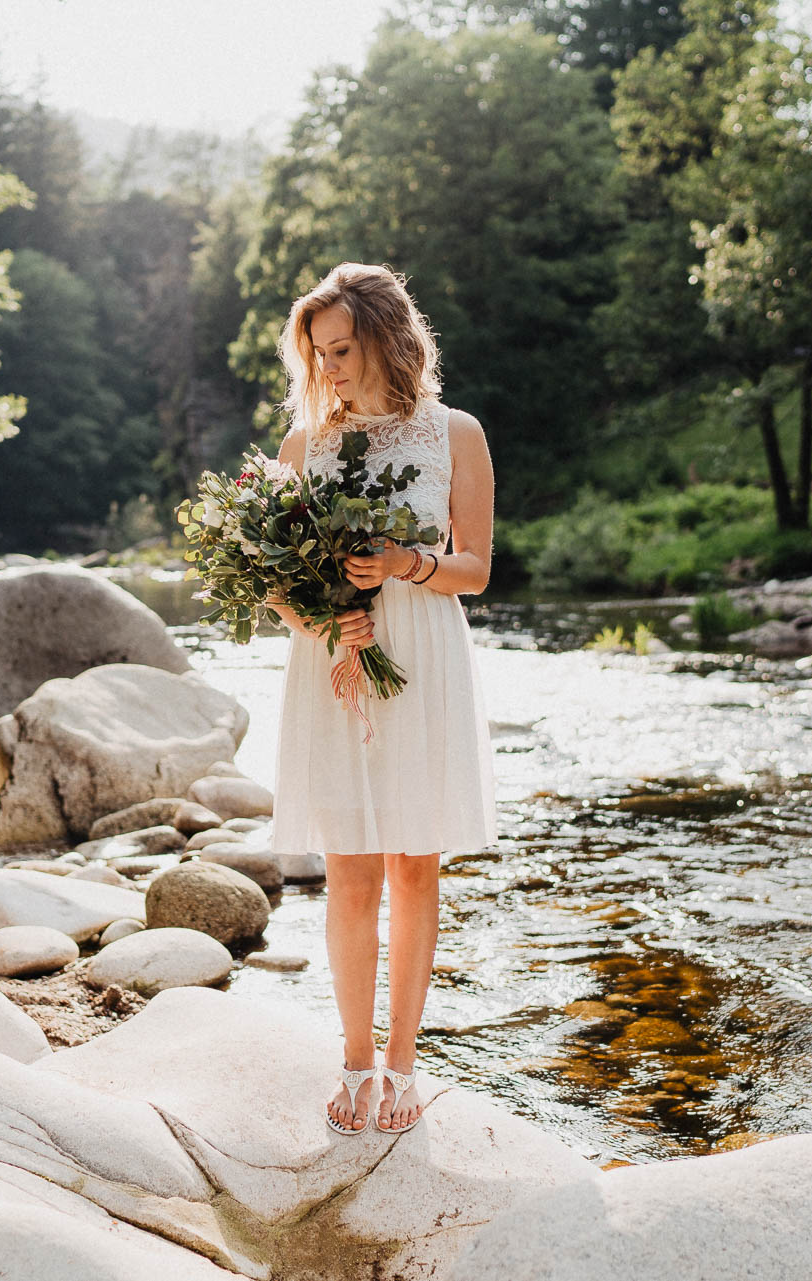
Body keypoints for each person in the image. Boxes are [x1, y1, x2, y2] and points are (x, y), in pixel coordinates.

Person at [263, 263, 497, 1137]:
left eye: (341, 350)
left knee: (415, 863)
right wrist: (328, 623)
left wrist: (404, 564)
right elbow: (275, 584)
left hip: (426, 652)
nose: (328, 369)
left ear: (386, 340)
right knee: (351, 867)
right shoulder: (303, 449)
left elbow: (475, 569)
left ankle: (404, 1067)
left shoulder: (455, 434)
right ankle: (354, 1063)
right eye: (316, 355)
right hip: (339, 663)